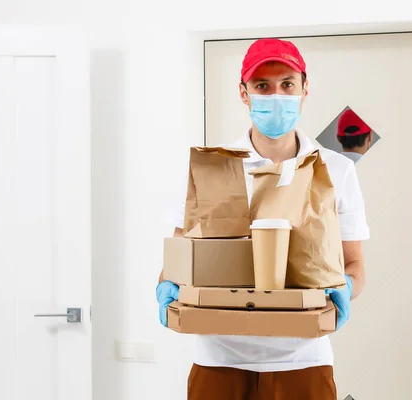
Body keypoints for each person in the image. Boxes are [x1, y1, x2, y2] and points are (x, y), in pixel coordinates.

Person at [156, 38, 370, 400]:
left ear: (305, 89)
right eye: (262, 86)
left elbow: (354, 264)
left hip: (304, 362)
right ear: (244, 93)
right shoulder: (213, 168)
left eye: (287, 84)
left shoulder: (335, 170)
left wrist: (346, 288)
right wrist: (168, 289)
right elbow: (177, 261)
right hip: (219, 360)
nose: (276, 96)